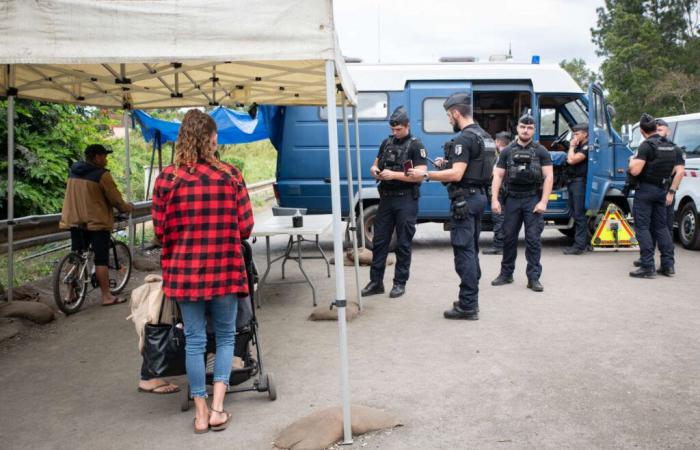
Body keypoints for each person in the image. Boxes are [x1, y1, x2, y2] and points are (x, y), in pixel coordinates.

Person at [152, 109, 254, 433]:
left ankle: (200, 412)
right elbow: (246, 227)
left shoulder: (167, 179)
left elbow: (159, 230)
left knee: (194, 340)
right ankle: (219, 408)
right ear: (210, 138)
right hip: (224, 269)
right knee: (225, 336)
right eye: (216, 135)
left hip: (184, 274)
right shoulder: (231, 175)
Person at [410, 93, 494, 320]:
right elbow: (471, 168)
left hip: (464, 201)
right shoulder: (485, 137)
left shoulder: (464, 139)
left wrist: (425, 172)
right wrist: (444, 164)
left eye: (448, 115)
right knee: (472, 250)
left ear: (456, 113)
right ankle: (470, 301)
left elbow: (457, 174)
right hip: (478, 198)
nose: (449, 120)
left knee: (463, 252)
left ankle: (468, 306)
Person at [361, 106, 427, 299]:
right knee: (380, 242)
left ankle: (399, 283)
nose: (395, 132)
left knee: (403, 243)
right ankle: (376, 282)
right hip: (386, 199)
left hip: (406, 199)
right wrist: (374, 170)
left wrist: (395, 174)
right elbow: (375, 163)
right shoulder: (386, 143)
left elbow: (421, 175)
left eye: (398, 129)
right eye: (392, 129)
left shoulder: (416, 145)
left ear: (407, 126)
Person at [59, 144, 133, 306]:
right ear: (97, 157)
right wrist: (127, 207)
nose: (106, 159)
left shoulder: (73, 172)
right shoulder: (102, 175)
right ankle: (107, 296)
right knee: (101, 259)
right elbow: (115, 199)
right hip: (96, 223)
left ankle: (69, 294)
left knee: (76, 254)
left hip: (75, 221)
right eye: (104, 156)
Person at [490, 114, 554, 292]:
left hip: (532, 200)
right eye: (523, 127)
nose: (526, 130)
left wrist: (543, 202)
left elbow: (549, 176)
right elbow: (498, 175)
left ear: (534, 129)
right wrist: (495, 199)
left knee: (533, 239)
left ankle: (533, 278)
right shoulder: (507, 151)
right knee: (508, 238)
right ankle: (506, 274)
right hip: (511, 199)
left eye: (530, 127)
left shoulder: (541, 151)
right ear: (517, 128)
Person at [628, 114, 684, 278]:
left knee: (643, 228)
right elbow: (678, 171)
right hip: (662, 190)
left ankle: (647, 266)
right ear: (655, 128)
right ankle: (668, 265)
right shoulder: (673, 146)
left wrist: (632, 161)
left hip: (646, 191)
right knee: (662, 228)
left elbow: (635, 170)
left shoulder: (646, 146)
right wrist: (671, 190)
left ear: (642, 130)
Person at [563, 123, 590, 255]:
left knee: (579, 215)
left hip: (579, 182)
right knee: (575, 213)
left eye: (577, 134)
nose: (575, 136)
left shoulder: (586, 147)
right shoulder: (580, 145)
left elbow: (572, 160)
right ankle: (578, 243)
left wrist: (571, 147)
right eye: (574, 134)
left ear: (585, 134)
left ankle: (579, 246)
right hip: (573, 182)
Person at [483, 131, 512, 255]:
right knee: (503, 218)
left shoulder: (502, 155)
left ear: (498, 142)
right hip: (506, 190)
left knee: (499, 218)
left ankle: (498, 246)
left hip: (500, 190)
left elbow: (495, 174)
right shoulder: (510, 153)